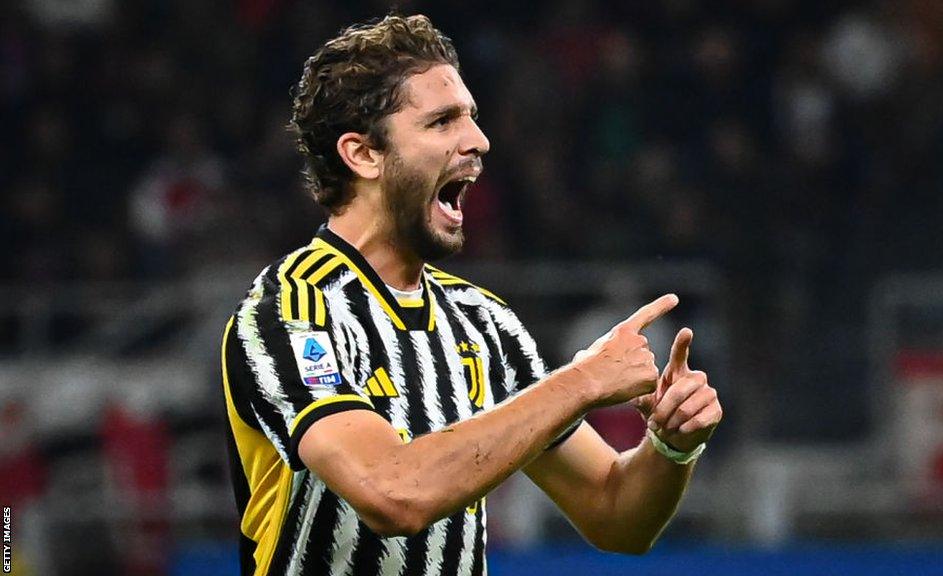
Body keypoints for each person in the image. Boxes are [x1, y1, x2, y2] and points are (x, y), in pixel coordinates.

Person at [220, 14, 722, 576]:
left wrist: (671, 447)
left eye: (472, 118)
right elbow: (392, 493)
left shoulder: (483, 323)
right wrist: (582, 381)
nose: (478, 140)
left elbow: (614, 515)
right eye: (441, 122)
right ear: (363, 155)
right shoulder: (292, 311)